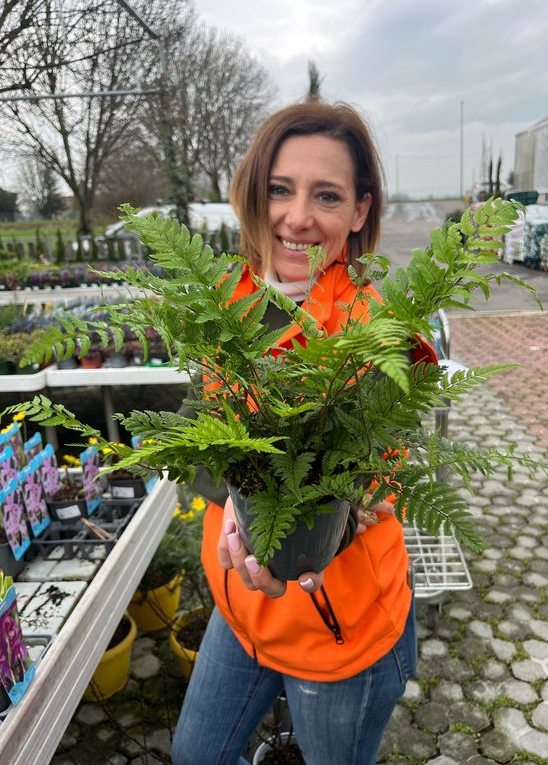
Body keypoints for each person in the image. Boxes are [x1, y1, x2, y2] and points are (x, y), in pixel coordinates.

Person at [171, 101, 437, 765]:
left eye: (326, 195)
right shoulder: (222, 300)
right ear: (252, 194)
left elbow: (380, 475)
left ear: (360, 212)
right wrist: (229, 499)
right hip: (240, 612)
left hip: (338, 631)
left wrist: (331, 527)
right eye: (279, 189)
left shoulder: (380, 330)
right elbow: (189, 426)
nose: (296, 217)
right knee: (197, 754)